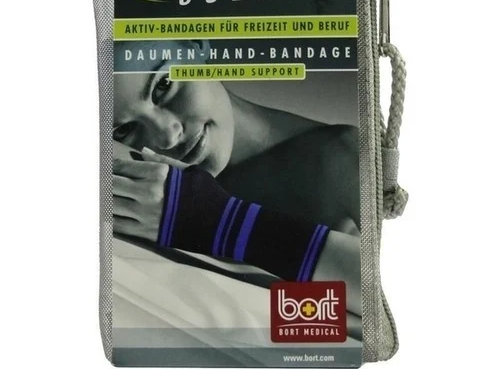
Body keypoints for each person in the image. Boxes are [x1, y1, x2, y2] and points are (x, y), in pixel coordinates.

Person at [112, 40, 361, 320]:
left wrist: (219, 222)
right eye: (124, 130)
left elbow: (392, 294)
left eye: (164, 85)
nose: (167, 137)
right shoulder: (146, 197)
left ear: (195, 45)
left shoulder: (345, 157)